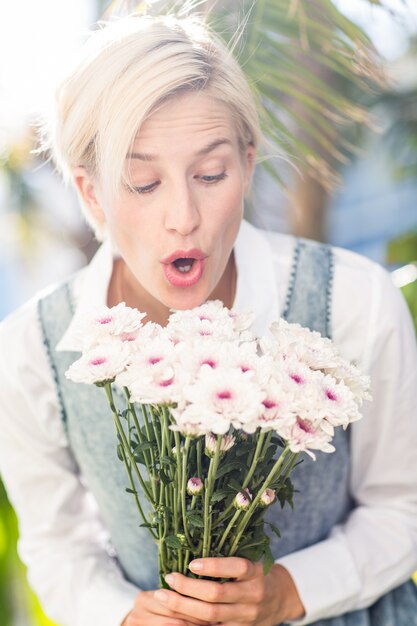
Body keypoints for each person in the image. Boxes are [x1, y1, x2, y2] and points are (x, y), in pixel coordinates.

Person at [0, 11, 416, 626]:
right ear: (90, 193)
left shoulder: (356, 300)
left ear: (248, 163)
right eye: (143, 183)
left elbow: (402, 507)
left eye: (211, 174)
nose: (183, 217)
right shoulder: (31, 351)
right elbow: (58, 548)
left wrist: (291, 591)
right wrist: (121, 614)